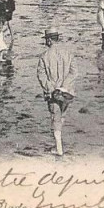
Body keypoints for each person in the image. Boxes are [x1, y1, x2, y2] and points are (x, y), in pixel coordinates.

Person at [36, 27, 77, 157]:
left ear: (49, 40)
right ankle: (58, 144)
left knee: (55, 117)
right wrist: (64, 86)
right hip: (67, 92)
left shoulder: (44, 56)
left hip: (53, 93)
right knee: (62, 115)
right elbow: (74, 72)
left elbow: (41, 76)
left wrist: (52, 89)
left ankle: (58, 148)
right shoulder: (68, 53)